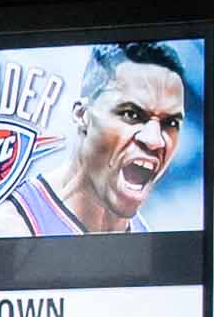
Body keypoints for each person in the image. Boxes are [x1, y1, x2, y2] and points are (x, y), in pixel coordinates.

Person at [27, 45, 192, 238]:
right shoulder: (9, 226)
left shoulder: (143, 235)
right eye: (131, 114)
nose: (154, 140)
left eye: (170, 122)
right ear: (82, 115)